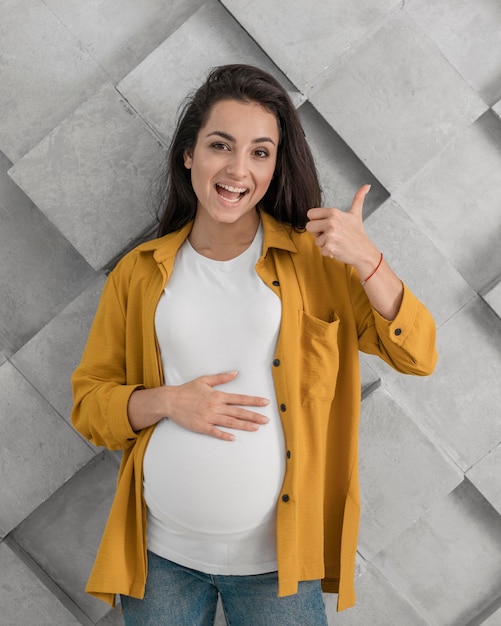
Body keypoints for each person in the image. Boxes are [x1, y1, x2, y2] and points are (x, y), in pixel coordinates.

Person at [71, 64, 437, 625]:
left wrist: (369, 260)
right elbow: (90, 404)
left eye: (260, 152)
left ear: (275, 165)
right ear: (189, 154)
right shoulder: (140, 273)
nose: (238, 169)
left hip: (278, 568)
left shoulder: (318, 264)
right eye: (221, 145)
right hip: (161, 561)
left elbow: (418, 355)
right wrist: (168, 401)